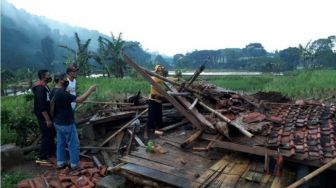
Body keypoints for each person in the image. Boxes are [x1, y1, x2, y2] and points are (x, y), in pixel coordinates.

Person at [51, 73, 96, 170]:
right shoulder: (62, 93)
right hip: (66, 123)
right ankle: (75, 164)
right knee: (73, 143)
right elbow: (80, 99)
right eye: (65, 79)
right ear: (60, 80)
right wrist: (90, 90)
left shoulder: (53, 91)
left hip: (57, 122)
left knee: (61, 142)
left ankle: (60, 162)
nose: (67, 81)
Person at [32, 69, 55, 164]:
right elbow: (42, 106)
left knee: (51, 134)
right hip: (43, 116)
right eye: (48, 74)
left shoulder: (45, 86)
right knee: (47, 136)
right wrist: (48, 119)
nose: (50, 76)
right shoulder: (40, 89)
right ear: (43, 76)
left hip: (47, 115)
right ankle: (41, 157)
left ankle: (49, 153)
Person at [145, 65, 166, 138]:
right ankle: (150, 129)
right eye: (159, 71)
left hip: (159, 100)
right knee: (152, 114)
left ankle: (158, 127)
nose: (160, 72)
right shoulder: (155, 78)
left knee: (159, 114)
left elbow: (163, 81)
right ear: (156, 71)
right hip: (153, 100)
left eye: (161, 71)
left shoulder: (160, 79)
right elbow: (162, 80)